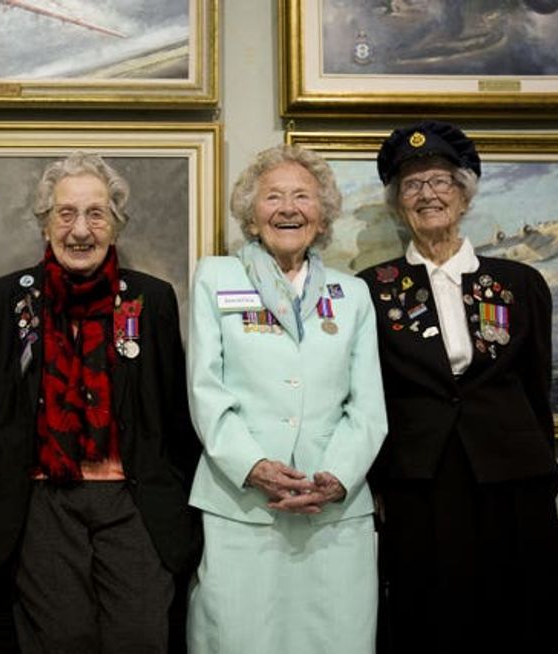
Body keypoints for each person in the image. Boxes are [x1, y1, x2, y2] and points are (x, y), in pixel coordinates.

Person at [0, 152, 201, 653]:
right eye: (65, 213)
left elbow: (176, 419)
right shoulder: (6, 301)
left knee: (140, 637)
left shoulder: (151, 299)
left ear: (115, 225)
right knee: (61, 641)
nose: (80, 229)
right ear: (45, 223)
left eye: (96, 214)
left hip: (134, 501)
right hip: (40, 501)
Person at [357, 121, 558, 654]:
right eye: (412, 185)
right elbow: (368, 392)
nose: (427, 195)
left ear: (464, 196)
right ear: (398, 204)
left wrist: (545, 467)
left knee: (516, 611)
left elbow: (538, 388)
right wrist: (377, 482)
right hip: (419, 477)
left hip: (512, 473)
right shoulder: (371, 290)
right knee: (428, 613)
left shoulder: (520, 284)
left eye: (440, 181)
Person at [186, 144, 388, 653]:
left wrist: (337, 478)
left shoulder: (353, 294)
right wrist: (253, 465)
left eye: (302, 196)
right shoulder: (215, 278)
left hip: (333, 513)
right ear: (251, 216)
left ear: (322, 217)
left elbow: (368, 408)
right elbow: (206, 391)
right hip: (243, 506)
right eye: (273, 196)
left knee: (336, 639)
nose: (288, 208)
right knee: (238, 637)